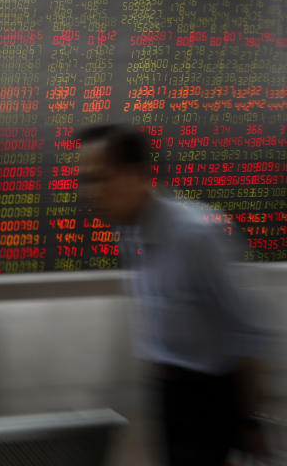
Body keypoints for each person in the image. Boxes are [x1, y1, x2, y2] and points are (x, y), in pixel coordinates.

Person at [77, 123, 270, 465]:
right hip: (168, 393)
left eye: (98, 179)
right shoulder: (130, 232)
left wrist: (249, 421)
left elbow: (247, 331)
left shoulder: (196, 234)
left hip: (211, 395)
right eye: (86, 180)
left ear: (134, 174)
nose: (90, 193)